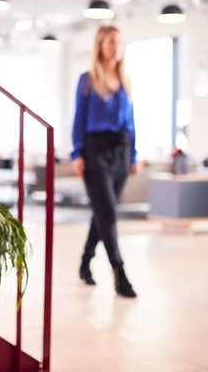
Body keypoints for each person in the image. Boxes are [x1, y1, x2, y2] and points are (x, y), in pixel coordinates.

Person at [71, 24, 140, 298]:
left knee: (103, 211)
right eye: (111, 42)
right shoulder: (87, 80)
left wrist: (134, 154)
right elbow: (79, 119)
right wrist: (77, 153)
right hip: (95, 150)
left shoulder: (125, 81)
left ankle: (86, 260)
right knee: (108, 213)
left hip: (121, 151)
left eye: (119, 42)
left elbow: (131, 123)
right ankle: (119, 274)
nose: (116, 47)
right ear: (100, 45)